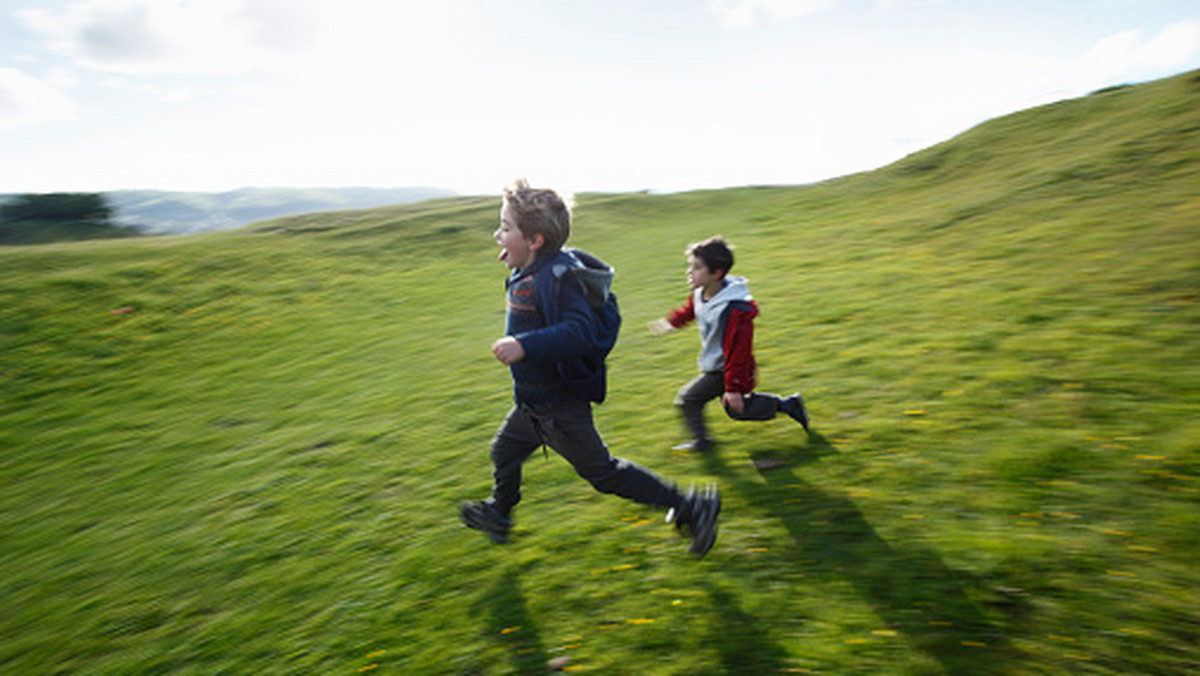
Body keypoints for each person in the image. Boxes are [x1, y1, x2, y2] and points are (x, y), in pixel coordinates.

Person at [461, 179, 720, 557]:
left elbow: (579, 331)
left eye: (505, 227)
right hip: (530, 406)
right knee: (503, 452)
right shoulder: (528, 274)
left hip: (560, 410)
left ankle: (690, 505)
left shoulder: (557, 279)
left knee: (604, 474)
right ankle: (500, 513)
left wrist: (523, 345)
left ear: (534, 240)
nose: (497, 234)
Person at [648, 236, 809, 452]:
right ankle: (789, 405)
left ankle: (703, 442)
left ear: (716, 273)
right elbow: (692, 309)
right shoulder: (701, 293)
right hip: (718, 366)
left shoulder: (734, 310)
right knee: (735, 410)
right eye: (691, 266)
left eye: (697, 267)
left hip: (729, 368)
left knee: (690, 399)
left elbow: (738, 351)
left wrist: (732, 387)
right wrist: (671, 323)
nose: (690, 272)